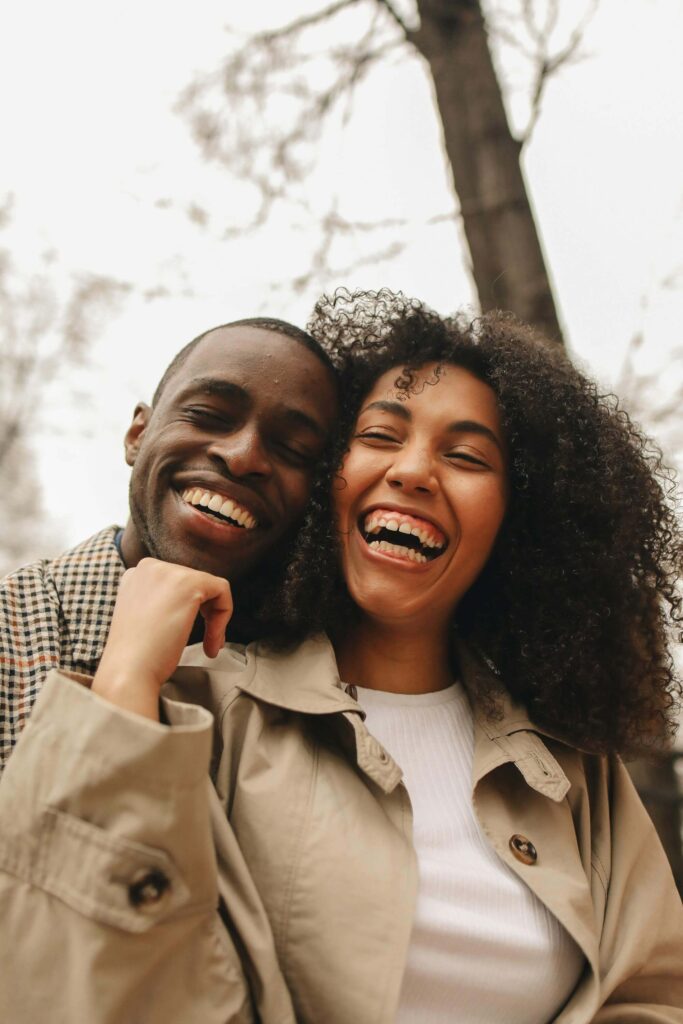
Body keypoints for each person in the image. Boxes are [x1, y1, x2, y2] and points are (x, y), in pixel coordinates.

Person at [1, 291, 682, 1023]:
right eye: (381, 436)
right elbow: (98, 979)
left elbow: (649, 996)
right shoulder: (198, 711)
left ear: (520, 515)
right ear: (331, 480)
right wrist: (130, 680)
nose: (414, 471)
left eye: (464, 456)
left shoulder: (573, 769)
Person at [0, 317, 339, 770]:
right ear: (138, 435)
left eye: (294, 449)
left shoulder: (330, 685)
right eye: (209, 416)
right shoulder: (11, 637)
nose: (243, 458)